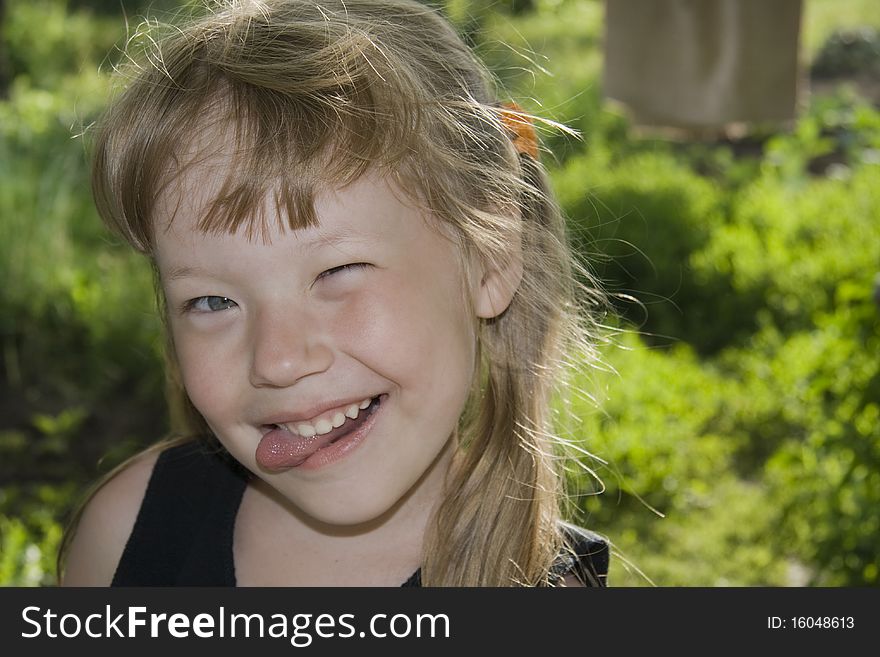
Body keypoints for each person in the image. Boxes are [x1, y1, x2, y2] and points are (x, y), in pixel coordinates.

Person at [58, 0, 609, 587]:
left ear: (491, 260)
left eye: (336, 271)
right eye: (213, 302)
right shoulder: (124, 535)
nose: (278, 360)